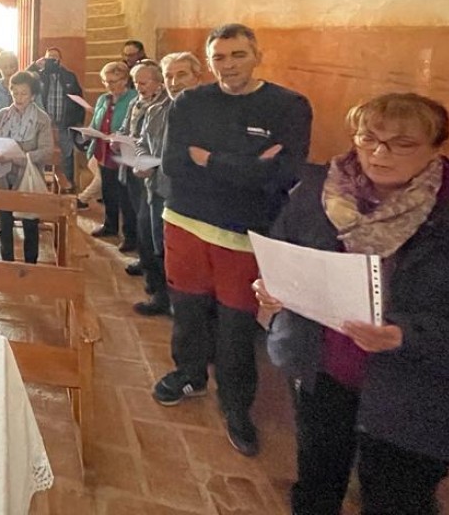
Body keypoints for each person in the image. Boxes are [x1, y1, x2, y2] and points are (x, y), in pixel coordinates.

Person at [256, 93, 449, 514]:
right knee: (317, 475)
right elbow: (284, 246)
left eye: (401, 143)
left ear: (436, 148)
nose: (378, 152)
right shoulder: (319, 189)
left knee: (397, 495)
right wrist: (273, 285)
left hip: (413, 387)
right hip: (322, 366)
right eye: (367, 138)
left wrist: (405, 335)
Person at [153, 23, 312, 458]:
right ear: (209, 62)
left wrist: (208, 158)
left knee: (236, 327)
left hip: (245, 234)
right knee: (185, 310)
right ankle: (188, 373)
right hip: (184, 222)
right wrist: (245, 165)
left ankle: (237, 406)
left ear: (256, 55)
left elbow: (282, 175)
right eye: (219, 57)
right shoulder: (190, 102)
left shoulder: (288, 106)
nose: (228, 65)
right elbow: (173, 164)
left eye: (238, 55)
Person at [131, 52, 202, 315]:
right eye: (169, 76)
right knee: (157, 245)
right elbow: (141, 141)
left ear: (198, 77)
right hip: (157, 189)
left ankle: (184, 307)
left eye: (181, 75)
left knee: (186, 256)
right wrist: (141, 160)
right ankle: (162, 297)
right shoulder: (156, 110)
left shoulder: (208, 113)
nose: (174, 82)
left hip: (191, 196)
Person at [0, 71, 54, 264]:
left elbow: (46, 150)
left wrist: (22, 158)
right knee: (4, 224)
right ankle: (7, 263)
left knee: (30, 225)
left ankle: (30, 266)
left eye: (24, 94)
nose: (19, 98)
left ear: (33, 95)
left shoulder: (41, 119)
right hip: (3, 177)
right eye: (15, 93)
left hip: (28, 177)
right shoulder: (3, 115)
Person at [114, 60, 163, 254]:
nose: (139, 87)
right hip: (130, 161)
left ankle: (150, 263)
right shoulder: (135, 102)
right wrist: (118, 137)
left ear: (158, 82)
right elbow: (126, 126)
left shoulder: (162, 104)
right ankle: (142, 257)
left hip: (150, 168)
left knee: (146, 218)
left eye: (144, 83)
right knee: (134, 211)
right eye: (136, 83)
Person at [87, 61, 138, 242]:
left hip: (124, 154)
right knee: (108, 193)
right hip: (104, 152)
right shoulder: (103, 99)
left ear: (125, 80)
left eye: (115, 81)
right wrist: (89, 133)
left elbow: (135, 127)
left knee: (126, 197)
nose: (110, 86)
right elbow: (95, 122)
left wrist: (119, 136)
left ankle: (130, 236)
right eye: (107, 82)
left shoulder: (135, 98)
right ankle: (110, 226)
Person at [36, 47, 86, 187]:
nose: (52, 60)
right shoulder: (39, 76)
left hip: (65, 124)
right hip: (45, 124)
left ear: (60, 59)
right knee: (42, 153)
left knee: (67, 156)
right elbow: (24, 78)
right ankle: (41, 185)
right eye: (49, 58)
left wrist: (78, 123)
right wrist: (35, 66)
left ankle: (67, 185)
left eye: (55, 57)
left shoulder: (69, 76)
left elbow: (78, 100)